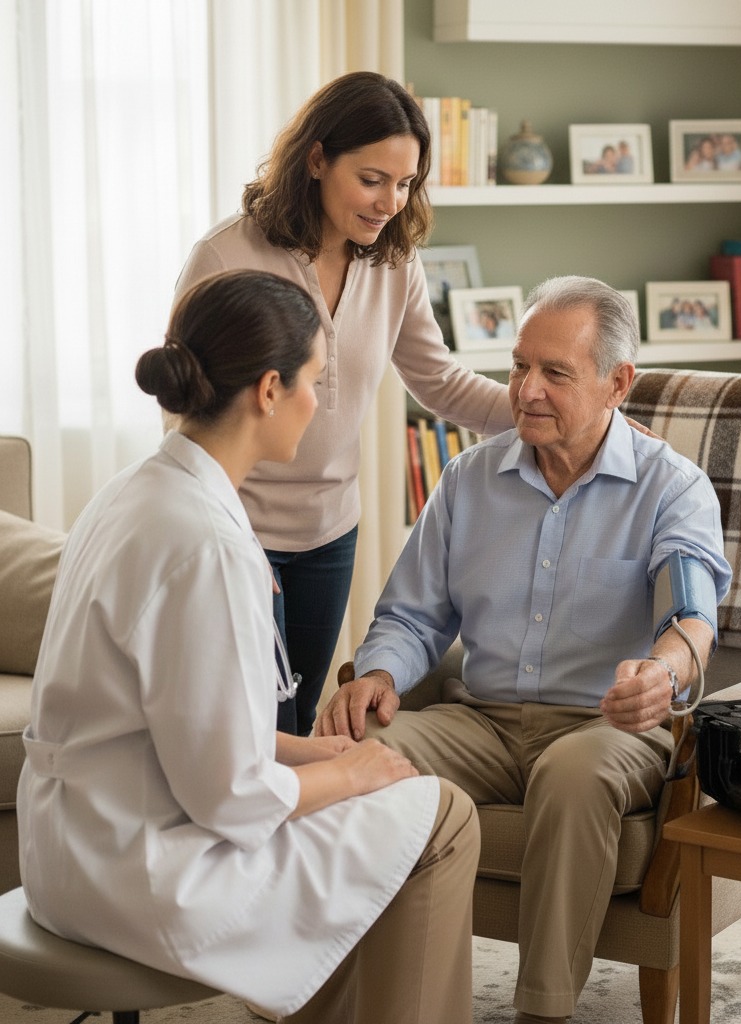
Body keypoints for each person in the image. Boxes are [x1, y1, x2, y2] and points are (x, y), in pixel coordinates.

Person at [18, 270, 480, 1024]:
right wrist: (357, 772)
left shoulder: (131, 493)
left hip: (72, 847)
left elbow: (173, 723)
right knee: (444, 815)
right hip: (146, 877)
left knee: (381, 798)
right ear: (269, 389)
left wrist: (313, 755)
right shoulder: (208, 544)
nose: (322, 405)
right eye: (315, 383)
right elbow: (229, 798)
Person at [316, 276, 732, 1024]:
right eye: (517, 367)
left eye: (555, 374)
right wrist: (377, 673)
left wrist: (663, 674)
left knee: (572, 778)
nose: (525, 390)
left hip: (607, 728)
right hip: (481, 719)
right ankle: (336, 995)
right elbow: (413, 615)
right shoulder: (469, 478)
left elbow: (693, 618)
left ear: (618, 383)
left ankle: (542, 1011)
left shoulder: (673, 488)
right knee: (357, 750)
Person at [173, 71, 513, 737]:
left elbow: (438, 380)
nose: (390, 200)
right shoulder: (226, 255)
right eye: (372, 179)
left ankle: (290, 845)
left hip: (330, 531)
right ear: (318, 159)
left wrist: (542, 412)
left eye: (406, 182)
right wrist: (227, 534)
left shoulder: (394, 263)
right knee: (253, 727)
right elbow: (190, 402)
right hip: (237, 529)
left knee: (297, 722)